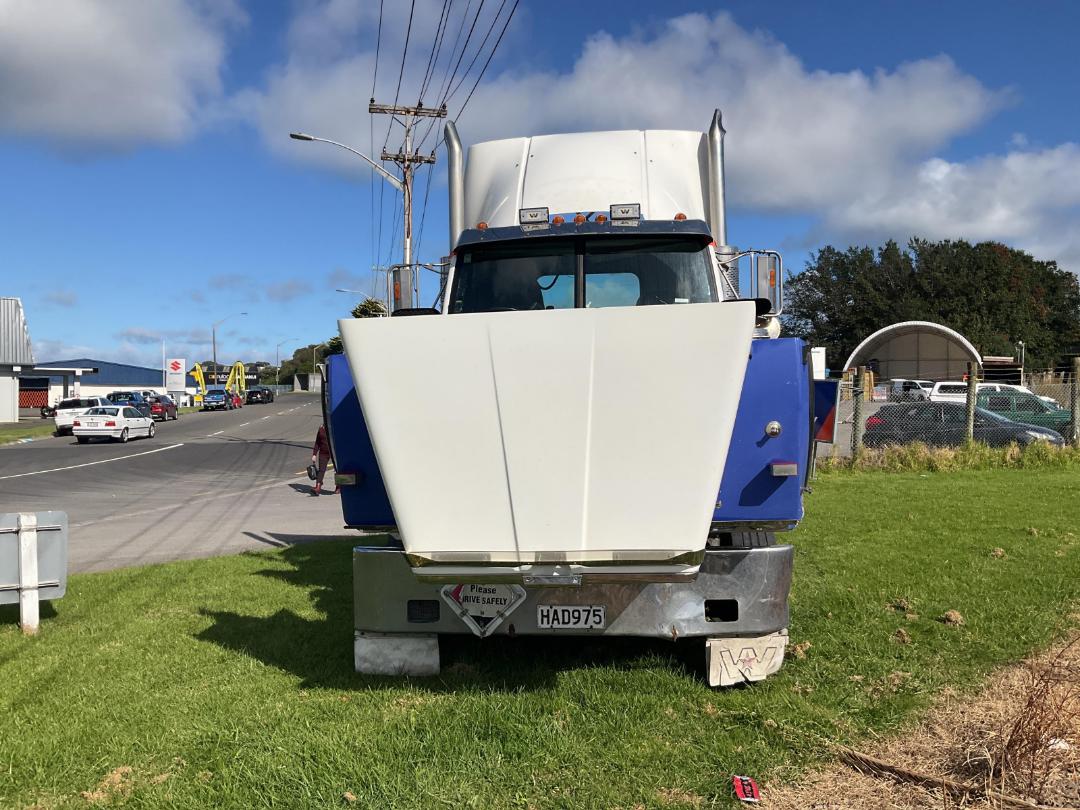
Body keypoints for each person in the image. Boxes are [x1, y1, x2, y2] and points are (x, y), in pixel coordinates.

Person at [311, 424, 332, 495]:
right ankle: (318, 487)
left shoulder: (335, 426)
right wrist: (314, 454)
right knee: (321, 470)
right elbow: (317, 442)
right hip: (323, 452)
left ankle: (338, 487)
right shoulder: (321, 428)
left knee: (338, 469)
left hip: (334, 452)